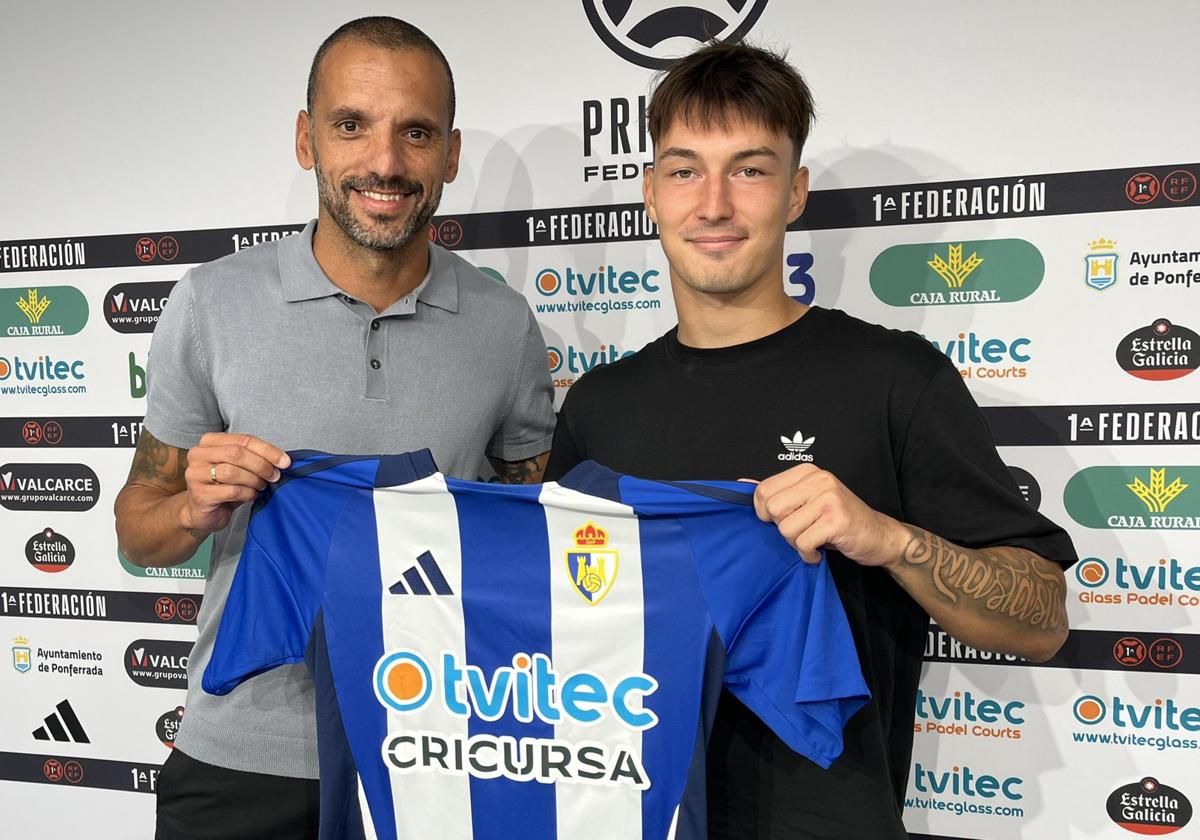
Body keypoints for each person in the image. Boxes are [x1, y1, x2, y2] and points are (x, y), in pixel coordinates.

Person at [544, 42, 1076, 840]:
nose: (715, 204)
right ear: (651, 193)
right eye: (686, 170)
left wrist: (888, 539)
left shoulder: (896, 377)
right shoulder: (599, 407)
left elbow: (1041, 617)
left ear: (794, 194)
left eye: (750, 170)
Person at [114, 17, 554, 840]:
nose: (385, 163)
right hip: (241, 755)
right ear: (306, 138)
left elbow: (538, 531)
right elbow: (137, 527)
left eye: (415, 133)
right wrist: (189, 509)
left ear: (449, 155)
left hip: (437, 755)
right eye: (352, 125)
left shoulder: (504, 325)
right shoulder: (210, 303)